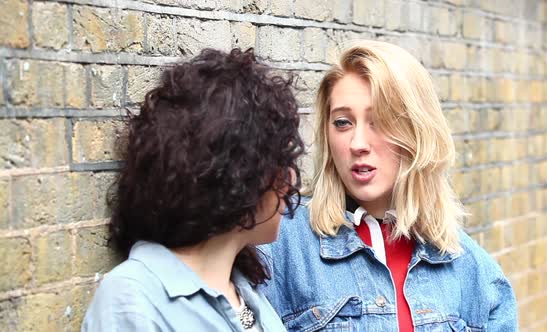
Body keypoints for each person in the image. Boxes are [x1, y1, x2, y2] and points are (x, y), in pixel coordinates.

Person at [260, 40, 518, 332]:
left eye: (379, 121)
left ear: (416, 131)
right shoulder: (279, 247)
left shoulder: (473, 272)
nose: (357, 144)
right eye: (343, 123)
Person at [82, 48, 304, 331]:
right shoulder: (133, 301)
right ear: (239, 175)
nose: (290, 178)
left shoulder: (244, 291)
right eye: (280, 162)